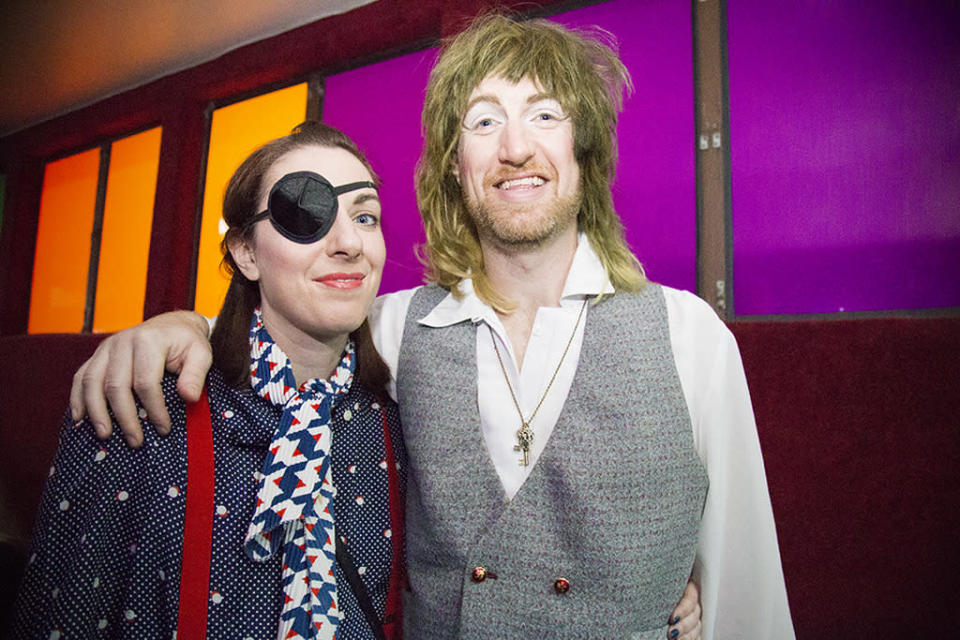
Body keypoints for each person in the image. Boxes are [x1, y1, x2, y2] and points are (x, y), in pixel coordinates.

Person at [69, 14, 793, 640]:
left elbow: (748, 594)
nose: (515, 147)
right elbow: (285, 328)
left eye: (545, 115)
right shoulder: (389, 330)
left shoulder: (689, 337)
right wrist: (179, 326)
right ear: (455, 164)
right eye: (484, 121)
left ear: (586, 150)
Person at [12, 122, 406, 639]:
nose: (350, 242)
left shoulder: (397, 421)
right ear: (245, 253)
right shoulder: (142, 404)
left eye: (365, 216)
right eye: (307, 215)